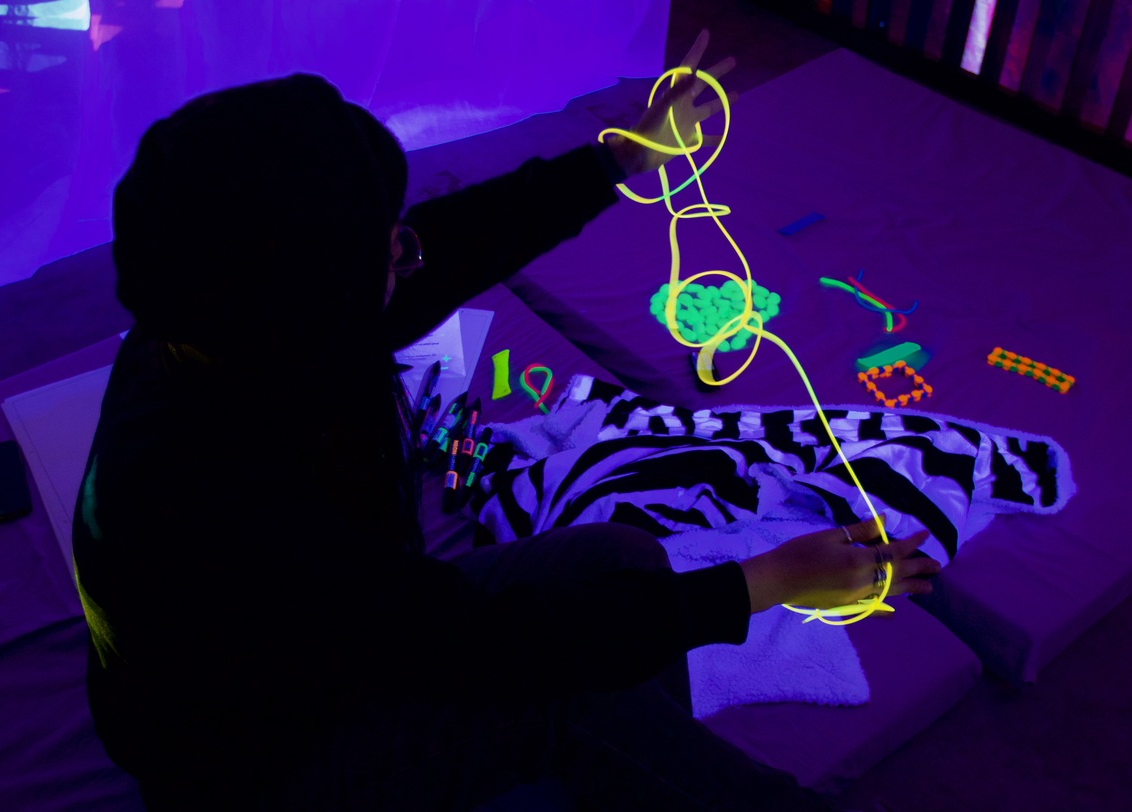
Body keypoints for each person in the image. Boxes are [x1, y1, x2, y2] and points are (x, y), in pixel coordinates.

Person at [73, 29, 941, 812]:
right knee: (565, 697)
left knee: (621, 557)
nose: (407, 258)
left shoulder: (227, 316)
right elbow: (479, 646)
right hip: (258, 764)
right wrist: (768, 580)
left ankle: (636, 773)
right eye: (386, 249)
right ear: (317, 294)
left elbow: (452, 243)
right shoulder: (207, 498)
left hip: (318, 649)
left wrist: (619, 157)